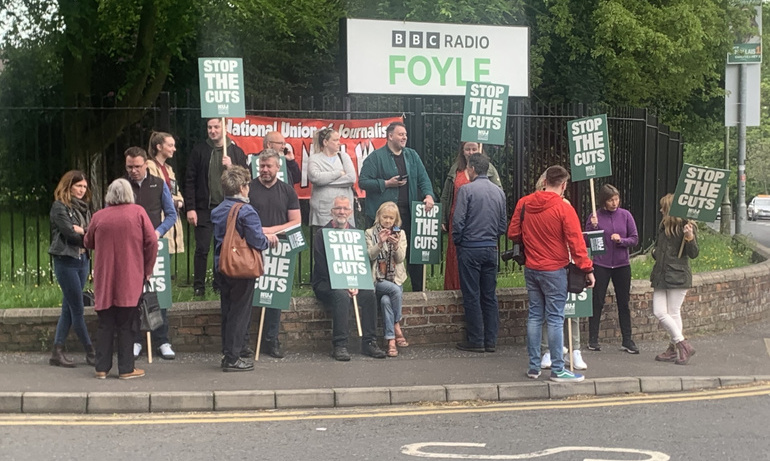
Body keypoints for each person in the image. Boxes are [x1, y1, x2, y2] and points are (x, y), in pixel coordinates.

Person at [508, 165, 595, 383]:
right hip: (555, 269)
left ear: (544, 180)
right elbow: (576, 243)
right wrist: (587, 269)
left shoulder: (524, 203)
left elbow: (512, 233)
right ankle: (558, 369)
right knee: (556, 318)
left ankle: (534, 367)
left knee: (535, 316)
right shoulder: (564, 208)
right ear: (564, 185)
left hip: (532, 268)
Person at [84, 178, 157, 380]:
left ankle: (101, 367)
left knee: (105, 323)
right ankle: (126, 368)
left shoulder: (99, 216)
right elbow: (152, 241)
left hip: (105, 276)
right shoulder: (138, 213)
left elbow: (88, 241)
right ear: (129, 195)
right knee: (127, 323)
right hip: (130, 275)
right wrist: (147, 268)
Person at [359, 121, 436, 291]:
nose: (404, 137)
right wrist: (386, 183)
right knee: (380, 251)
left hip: (407, 213)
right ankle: (375, 288)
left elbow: (423, 178)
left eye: (405, 135)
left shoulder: (412, 155)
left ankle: (418, 291)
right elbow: (363, 182)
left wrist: (429, 195)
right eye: (401, 134)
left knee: (411, 252)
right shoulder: (376, 157)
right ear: (390, 136)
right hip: (383, 216)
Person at [211, 166, 272, 372]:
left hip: (222, 266)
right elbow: (256, 240)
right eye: (247, 185)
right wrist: (268, 240)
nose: (249, 189)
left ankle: (228, 352)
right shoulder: (247, 211)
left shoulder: (218, 210)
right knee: (240, 313)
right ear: (241, 187)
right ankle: (233, 358)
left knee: (227, 311)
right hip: (241, 268)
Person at [312, 196, 386, 361]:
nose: (341, 212)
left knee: (369, 295)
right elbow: (322, 267)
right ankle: (340, 345)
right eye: (338, 208)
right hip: (326, 282)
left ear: (351, 211)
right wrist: (343, 283)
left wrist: (357, 282)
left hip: (352, 282)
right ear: (332, 211)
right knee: (341, 295)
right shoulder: (321, 234)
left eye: (345, 208)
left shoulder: (355, 234)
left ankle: (369, 342)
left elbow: (361, 263)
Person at [124, 146, 178, 360]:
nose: (134, 171)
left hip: (155, 245)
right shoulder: (122, 185)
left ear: (146, 164)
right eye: (130, 167)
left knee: (159, 293)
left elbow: (171, 214)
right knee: (133, 295)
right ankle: (136, 340)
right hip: (130, 246)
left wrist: (158, 232)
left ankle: (162, 340)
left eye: (137, 166)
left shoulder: (159, 184)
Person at [184, 118, 248, 297]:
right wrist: (191, 207)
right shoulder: (200, 151)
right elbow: (190, 180)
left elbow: (245, 179)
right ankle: (198, 286)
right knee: (202, 248)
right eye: (209, 127)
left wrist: (232, 166)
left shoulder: (235, 151)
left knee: (224, 247)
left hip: (227, 208)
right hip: (205, 208)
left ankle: (220, 284)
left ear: (224, 128)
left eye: (216, 127)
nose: (212, 131)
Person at [247, 149, 301, 358]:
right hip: (252, 247)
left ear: (279, 167)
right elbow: (241, 216)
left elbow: (296, 221)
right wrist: (259, 232)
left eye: (269, 166)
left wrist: (270, 231)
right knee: (250, 293)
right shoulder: (249, 188)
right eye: (262, 166)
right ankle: (245, 341)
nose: (265, 170)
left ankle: (272, 340)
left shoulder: (287, 190)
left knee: (274, 297)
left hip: (279, 248)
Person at [452, 154, 507, 353]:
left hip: (470, 248)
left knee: (472, 294)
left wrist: (459, 240)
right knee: (489, 295)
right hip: (491, 247)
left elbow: (458, 222)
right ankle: (491, 340)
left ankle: (476, 339)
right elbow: (503, 225)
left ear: (472, 168)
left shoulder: (466, 190)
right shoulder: (499, 192)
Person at [48, 170, 96, 368]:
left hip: (82, 260)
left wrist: (82, 231)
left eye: (84, 187)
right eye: (78, 186)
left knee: (68, 308)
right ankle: (91, 351)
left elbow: (92, 232)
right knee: (77, 308)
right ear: (68, 186)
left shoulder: (85, 208)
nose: (82, 190)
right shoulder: (59, 207)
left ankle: (56, 352)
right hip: (66, 260)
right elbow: (69, 234)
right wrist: (85, 233)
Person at [585, 184, 639, 354]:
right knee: (597, 301)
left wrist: (621, 241)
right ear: (603, 201)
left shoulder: (625, 215)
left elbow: (635, 239)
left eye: (616, 199)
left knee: (623, 302)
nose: (614, 203)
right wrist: (592, 227)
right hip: (601, 264)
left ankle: (627, 340)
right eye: (610, 200)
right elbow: (587, 242)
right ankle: (593, 339)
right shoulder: (595, 217)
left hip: (622, 265)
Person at [440, 142, 502, 290]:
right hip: (458, 220)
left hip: (480, 222)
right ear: (462, 150)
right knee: (455, 257)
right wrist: (443, 218)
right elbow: (446, 195)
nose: (470, 152)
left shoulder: (489, 169)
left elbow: (498, 194)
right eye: (467, 149)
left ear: (480, 149)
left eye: (474, 149)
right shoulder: (455, 169)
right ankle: (454, 290)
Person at [650, 193, 698, 365]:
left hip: (678, 276)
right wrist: (655, 253)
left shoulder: (686, 226)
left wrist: (690, 237)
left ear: (669, 209)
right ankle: (681, 344)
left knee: (671, 312)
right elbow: (659, 249)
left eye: (663, 207)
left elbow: (693, 253)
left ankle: (678, 346)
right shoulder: (663, 226)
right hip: (661, 275)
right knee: (660, 311)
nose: (661, 209)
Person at [365, 202, 408, 357]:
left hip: (395, 278)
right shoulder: (370, 233)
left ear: (396, 219)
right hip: (378, 279)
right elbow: (370, 255)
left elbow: (401, 259)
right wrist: (380, 243)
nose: (388, 221)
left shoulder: (400, 234)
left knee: (385, 301)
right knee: (395, 291)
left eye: (391, 218)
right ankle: (397, 324)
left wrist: (396, 247)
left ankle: (390, 341)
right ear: (379, 217)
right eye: (385, 217)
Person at [308, 127, 357, 233]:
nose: (339, 143)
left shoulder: (344, 157)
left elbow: (351, 178)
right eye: (335, 140)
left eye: (339, 140)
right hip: (323, 212)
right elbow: (315, 178)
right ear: (325, 142)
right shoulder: (314, 159)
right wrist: (338, 173)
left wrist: (325, 182)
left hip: (344, 211)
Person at [147, 131, 185, 254]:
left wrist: (178, 201)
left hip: (170, 214)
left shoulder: (169, 169)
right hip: (158, 217)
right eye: (170, 145)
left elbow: (176, 192)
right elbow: (153, 192)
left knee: (167, 256)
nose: (174, 149)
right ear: (159, 147)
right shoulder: (150, 166)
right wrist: (173, 202)